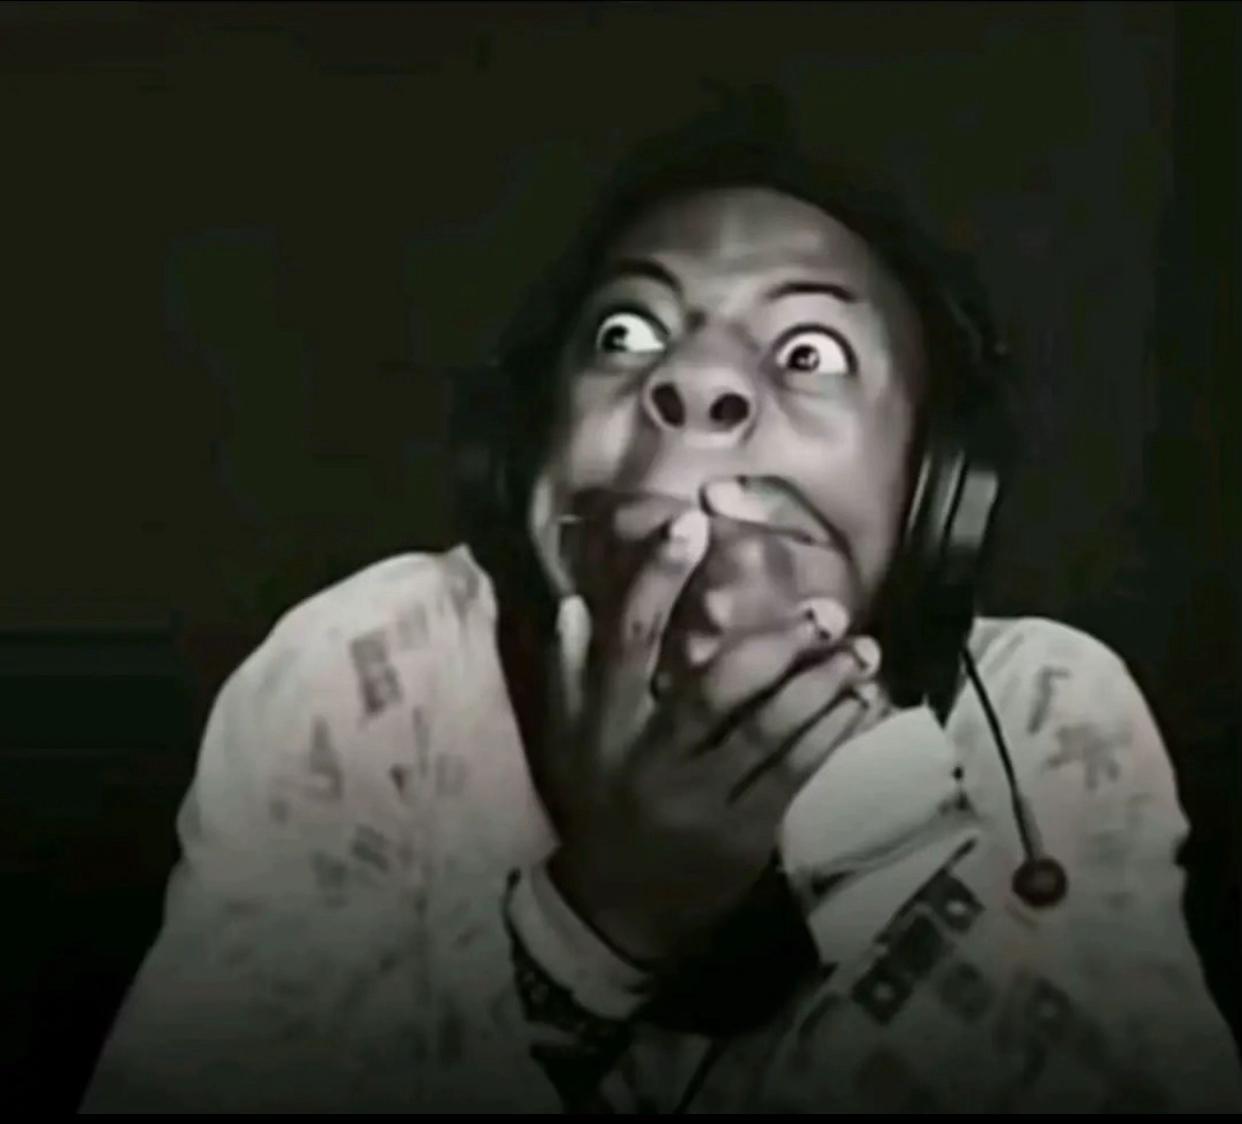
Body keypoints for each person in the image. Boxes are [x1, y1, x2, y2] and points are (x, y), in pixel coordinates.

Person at [82, 120, 1241, 1113]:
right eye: (626, 333)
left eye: (809, 350)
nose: (695, 382)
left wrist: (864, 806)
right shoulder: (366, 672)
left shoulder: (1042, 718)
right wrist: (602, 920)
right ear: (529, 458)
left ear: (935, 492)